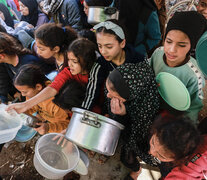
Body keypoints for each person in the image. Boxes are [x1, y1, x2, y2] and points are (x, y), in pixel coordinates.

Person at [6, 38, 97, 114]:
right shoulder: (67, 72)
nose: (70, 64)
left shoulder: (96, 74)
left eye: (75, 61)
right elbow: (52, 88)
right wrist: (25, 105)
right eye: (69, 60)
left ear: (87, 62)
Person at [150, 11, 207, 123]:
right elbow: (147, 73)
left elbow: (193, 109)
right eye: (168, 41)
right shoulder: (157, 54)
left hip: (173, 120)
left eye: (181, 45)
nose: (171, 50)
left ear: (192, 46)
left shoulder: (195, 75)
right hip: (150, 107)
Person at [105, 63, 160, 179]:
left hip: (140, 139)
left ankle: (136, 169)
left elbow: (134, 137)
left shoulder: (145, 110)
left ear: (130, 97)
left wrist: (122, 116)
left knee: (127, 158)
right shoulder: (132, 78)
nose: (108, 95)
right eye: (107, 89)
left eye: (114, 95)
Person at [82, 19, 145, 113]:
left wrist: (127, 112)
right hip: (110, 112)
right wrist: (83, 114)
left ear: (122, 43)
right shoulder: (100, 64)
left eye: (109, 47)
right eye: (100, 46)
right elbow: (91, 93)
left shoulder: (138, 61)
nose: (103, 51)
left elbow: (144, 95)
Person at [145, 113, 207, 180]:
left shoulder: (198, 160)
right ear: (156, 130)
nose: (150, 152)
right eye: (153, 142)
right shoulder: (163, 123)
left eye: (161, 155)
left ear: (182, 159)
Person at [13, 64, 70, 135]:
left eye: (24, 92)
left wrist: (49, 127)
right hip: (48, 121)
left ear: (38, 87)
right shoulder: (32, 94)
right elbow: (31, 108)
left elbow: (67, 124)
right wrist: (17, 112)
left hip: (60, 129)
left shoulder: (56, 102)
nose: (22, 95)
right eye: (21, 92)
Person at [0, 32, 52, 103]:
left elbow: (39, 89)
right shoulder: (6, 63)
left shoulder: (28, 64)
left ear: (1, 56)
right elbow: (4, 81)